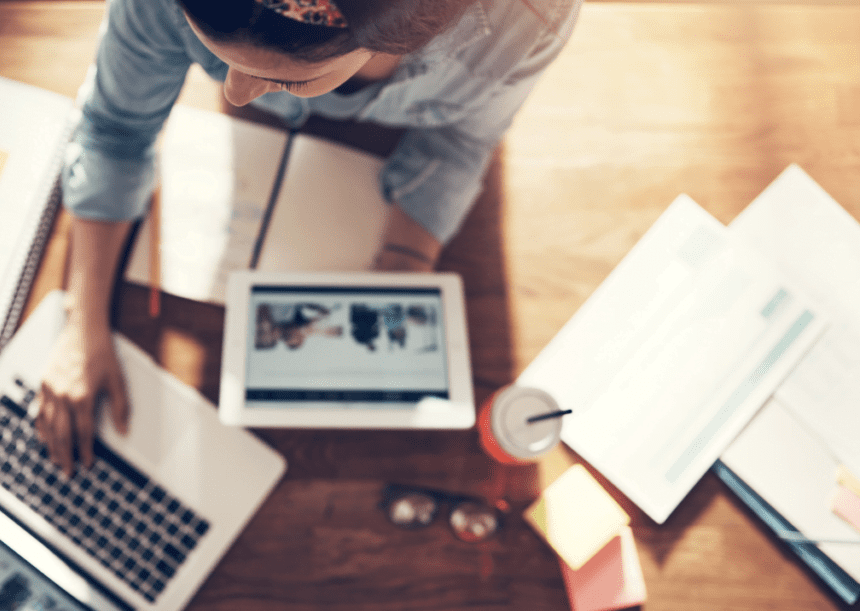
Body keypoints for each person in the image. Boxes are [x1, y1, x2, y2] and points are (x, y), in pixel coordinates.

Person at [37, 0, 582, 472]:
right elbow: (114, 128)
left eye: (286, 79)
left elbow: (460, 142)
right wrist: (83, 324)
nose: (237, 91)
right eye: (216, 52)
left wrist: (402, 264)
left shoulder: (526, 24)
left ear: (405, 32)